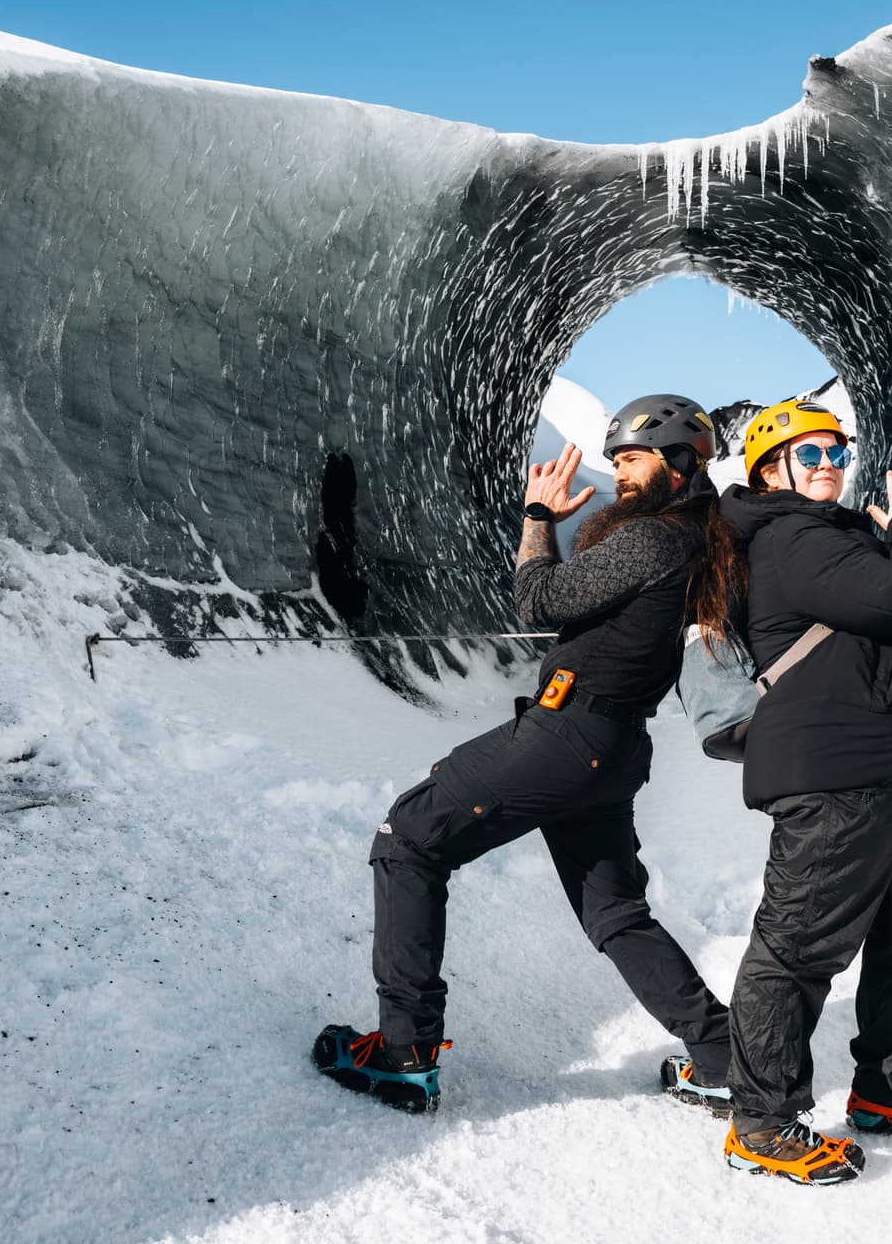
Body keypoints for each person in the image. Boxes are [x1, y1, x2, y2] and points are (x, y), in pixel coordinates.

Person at [313, 393, 740, 1116]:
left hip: (565, 737)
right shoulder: (698, 541)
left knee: (408, 839)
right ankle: (724, 1058)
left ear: (679, 461)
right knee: (617, 913)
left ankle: (403, 1055)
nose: (621, 473)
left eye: (633, 459)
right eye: (619, 461)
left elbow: (539, 601)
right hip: (611, 747)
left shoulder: (654, 540)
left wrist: (538, 519)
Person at [713, 396, 892, 1185]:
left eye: (836, 451)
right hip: (836, 775)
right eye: (810, 454)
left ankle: (888, 1089)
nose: (829, 464)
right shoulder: (789, 534)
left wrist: (890, 535)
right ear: (770, 471)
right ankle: (762, 1121)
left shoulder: (825, 534)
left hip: (888, 766)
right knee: (799, 947)